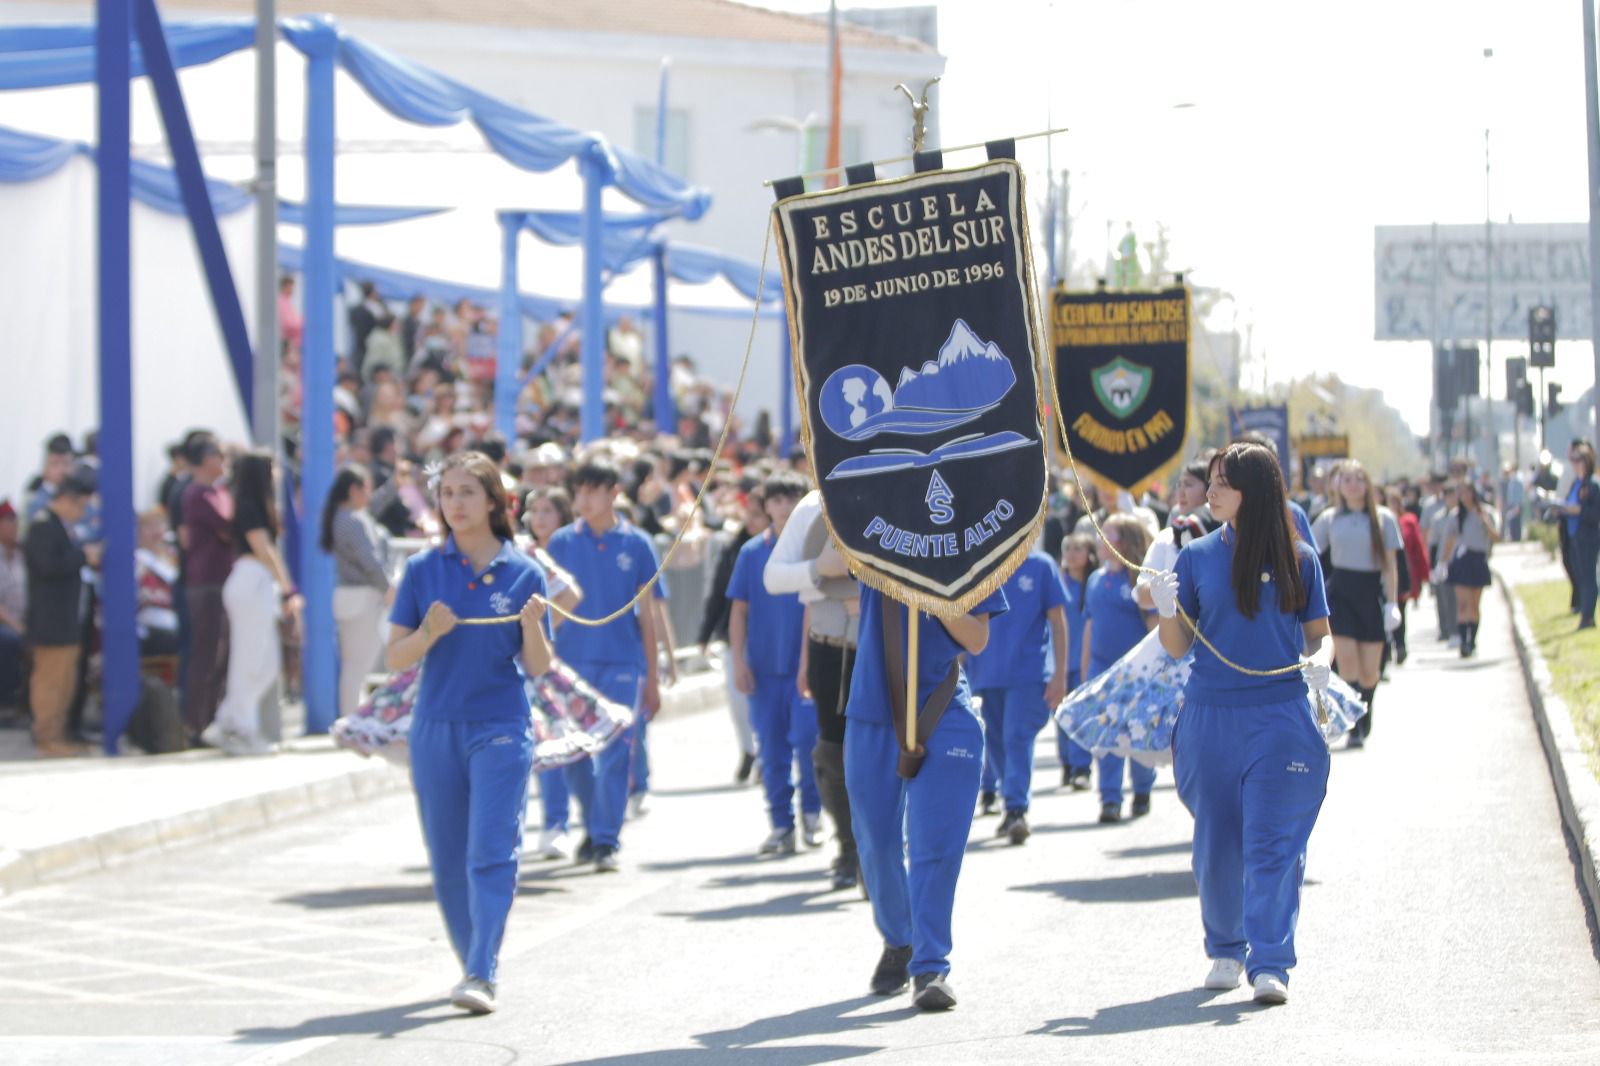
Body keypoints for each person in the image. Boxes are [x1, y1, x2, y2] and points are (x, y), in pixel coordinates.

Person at [1147, 440, 1335, 1006]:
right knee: (1216, 842)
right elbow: (1178, 646)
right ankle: (1227, 949)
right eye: (1210, 481)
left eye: (1223, 482)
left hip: (1279, 714)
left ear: (1254, 488)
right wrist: (1164, 609)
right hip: (1210, 717)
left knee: (1272, 843)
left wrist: (1321, 664)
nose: (1212, 491)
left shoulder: (1299, 558)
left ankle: (1271, 960)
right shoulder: (1197, 556)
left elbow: (1320, 635)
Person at [385, 451, 553, 1016]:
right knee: (448, 856)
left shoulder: (524, 572)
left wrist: (531, 627)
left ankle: (483, 968)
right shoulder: (421, 570)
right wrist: (429, 631)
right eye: (447, 493)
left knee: (490, 849)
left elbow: (539, 666)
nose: (454, 503)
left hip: (500, 725)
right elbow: (395, 657)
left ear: (493, 502)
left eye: (466, 492)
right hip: (435, 727)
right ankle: (469, 963)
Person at [847, 575, 1006, 1011]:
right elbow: (826, 556)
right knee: (876, 842)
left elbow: (977, 638)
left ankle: (930, 965)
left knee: (933, 845)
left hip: (941, 704)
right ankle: (901, 939)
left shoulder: (969, 544)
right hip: (872, 708)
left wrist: (933, 593)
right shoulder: (872, 526)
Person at [545, 457, 666, 873]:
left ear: (614, 492)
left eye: (593, 490)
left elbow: (648, 616)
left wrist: (652, 678)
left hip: (621, 663)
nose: (584, 499)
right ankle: (595, 825)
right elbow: (545, 607)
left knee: (617, 752)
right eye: (579, 491)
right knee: (574, 754)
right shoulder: (560, 543)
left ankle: (606, 840)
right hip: (570, 663)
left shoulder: (637, 545)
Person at [764, 488, 865, 891]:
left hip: (883, 645)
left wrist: (865, 591)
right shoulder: (813, 504)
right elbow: (774, 576)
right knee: (831, 755)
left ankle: (886, 847)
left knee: (888, 750)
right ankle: (849, 846)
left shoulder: (899, 486)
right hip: (827, 647)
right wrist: (819, 568)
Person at [727, 471, 824, 855]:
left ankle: (813, 813)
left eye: (791, 500)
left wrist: (807, 663)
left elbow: (813, 610)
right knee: (771, 750)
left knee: (807, 743)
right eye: (777, 500)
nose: (783, 508)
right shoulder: (752, 552)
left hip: (805, 669)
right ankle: (781, 824)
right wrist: (739, 660)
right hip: (764, 669)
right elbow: (738, 609)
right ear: (764, 506)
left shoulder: (814, 550)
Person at [966, 540, 1068, 845]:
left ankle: (1016, 808)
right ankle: (1009, 801)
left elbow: (1058, 623)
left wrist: (1060, 674)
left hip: (1028, 672)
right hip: (984, 671)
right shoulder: (980, 567)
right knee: (994, 741)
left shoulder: (1040, 566)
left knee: (1016, 736)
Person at [207, 451, 299, 756]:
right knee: (249, 659)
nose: (276, 474)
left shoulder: (257, 506)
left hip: (258, 583)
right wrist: (289, 590)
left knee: (267, 664)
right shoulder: (248, 507)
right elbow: (265, 550)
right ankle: (242, 728)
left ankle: (229, 719)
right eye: (272, 468)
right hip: (250, 581)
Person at [1310, 459, 1400, 746]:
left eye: (1358, 479)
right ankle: (1354, 723)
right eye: (1346, 479)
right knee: (1347, 664)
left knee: (1369, 671)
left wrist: (1392, 603)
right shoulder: (1329, 518)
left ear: (1367, 485)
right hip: (1341, 593)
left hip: (1370, 593)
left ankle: (1366, 710)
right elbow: (1308, 550)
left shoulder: (1383, 518)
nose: (1352, 484)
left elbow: (1390, 566)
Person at [521, 485, 586, 860]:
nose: (539, 518)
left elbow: (572, 596)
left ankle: (560, 823)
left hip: (567, 660)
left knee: (555, 746)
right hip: (516, 668)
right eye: (533, 510)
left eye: (547, 510)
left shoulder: (554, 553)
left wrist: (543, 631)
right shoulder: (514, 550)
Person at [1081, 513, 1157, 823]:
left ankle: (1142, 789)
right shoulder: (1096, 580)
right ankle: (1110, 798)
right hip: (1102, 668)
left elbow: (1154, 626)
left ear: (1124, 541)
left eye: (1107, 534)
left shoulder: (1138, 579)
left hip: (1136, 670)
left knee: (1138, 733)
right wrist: (1085, 672)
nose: (1100, 540)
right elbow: (1089, 626)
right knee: (1106, 736)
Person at [23, 475, 98, 756]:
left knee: (66, 681)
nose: (82, 513)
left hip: (66, 620)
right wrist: (83, 556)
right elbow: (48, 565)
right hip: (50, 620)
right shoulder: (43, 525)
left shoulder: (59, 527)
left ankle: (59, 735)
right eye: (81, 506)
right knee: (50, 683)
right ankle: (47, 736)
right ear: (67, 499)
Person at [698, 483, 767, 786]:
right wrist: (705, 633)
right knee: (738, 700)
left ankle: (767, 755)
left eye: (757, 513)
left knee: (767, 703)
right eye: (748, 513)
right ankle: (748, 750)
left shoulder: (789, 546)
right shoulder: (734, 547)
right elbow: (718, 594)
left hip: (774, 637)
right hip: (735, 635)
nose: (751, 519)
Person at [322, 464, 392, 721]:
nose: (369, 495)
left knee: (354, 665)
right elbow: (370, 561)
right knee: (358, 666)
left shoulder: (343, 517)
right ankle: (351, 720)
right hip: (363, 596)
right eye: (366, 489)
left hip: (350, 595)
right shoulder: (352, 520)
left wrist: (395, 484)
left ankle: (351, 717)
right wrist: (389, 589)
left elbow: (373, 507)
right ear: (354, 490)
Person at [179, 437, 235, 743]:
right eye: (219, 454)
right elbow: (227, 525)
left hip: (221, 582)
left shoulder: (218, 492)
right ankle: (196, 722)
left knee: (221, 654)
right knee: (206, 654)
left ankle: (212, 717)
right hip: (206, 584)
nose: (224, 459)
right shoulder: (196, 494)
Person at [1438, 479, 1500, 658]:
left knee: (1474, 604)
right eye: (1460, 493)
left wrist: (1485, 522)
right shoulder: (1456, 515)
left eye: (1467, 492)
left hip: (1478, 558)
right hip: (1461, 560)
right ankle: (1463, 641)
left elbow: (1496, 537)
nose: (1464, 496)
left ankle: (1472, 640)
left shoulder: (1485, 512)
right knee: (1462, 604)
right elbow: (1449, 541)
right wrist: (1443, 562)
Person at [1055, 533, 1097, 790]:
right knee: (1061, 716)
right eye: (1067, 548)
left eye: (1078, 548)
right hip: (1062, 661)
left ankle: (1082, 766)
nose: (1071, 554)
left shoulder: (1094, 584)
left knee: (1082, 715)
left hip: (1087, 659)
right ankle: (1067, 764)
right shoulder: (1059, 582)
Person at [1554, 443, 1599, 629]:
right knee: (1579, 575)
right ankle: (1582, 608)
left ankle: (1587, 617)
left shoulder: (1592, 484)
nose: (1575, 464)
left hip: (1587, 535)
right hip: (1573, 535)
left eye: (1578, 460)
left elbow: (1595, 513)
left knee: (1588, 577)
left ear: (1587, 461)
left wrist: (1579, 510)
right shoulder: (1576, 483)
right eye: (1573, 460)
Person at [134, 508, 180, 656]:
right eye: (149, 526)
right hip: (150, 624)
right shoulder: (137, 559)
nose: (156, 532)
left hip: (176, 619)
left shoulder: (173, 557)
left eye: (159, 525)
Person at [0, 500, 25, 710]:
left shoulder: (22, 554)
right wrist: (16, 626)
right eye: (7, 523)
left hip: (25, 619)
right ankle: (6, 701)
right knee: (10, 641)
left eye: (15, 523)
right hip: (5, 622)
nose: (13, 528)